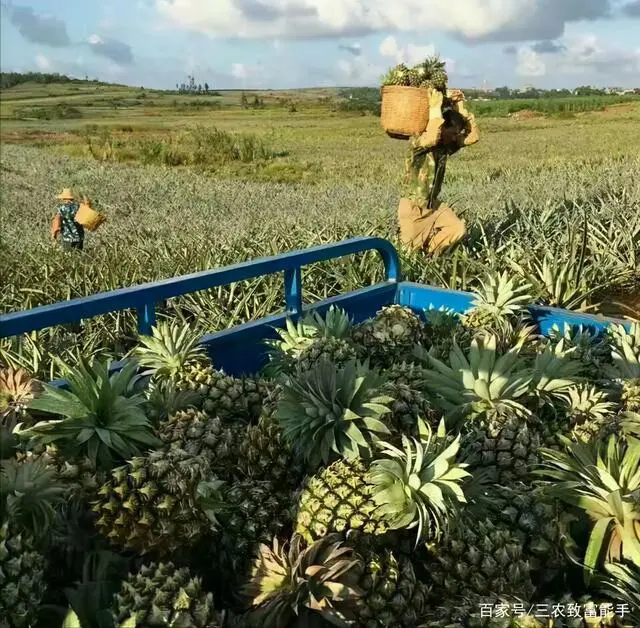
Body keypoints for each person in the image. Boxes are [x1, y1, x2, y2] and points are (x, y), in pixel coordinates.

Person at [398, 87, 479, 253]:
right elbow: (431, 136)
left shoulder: (445, 148)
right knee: (409, 255)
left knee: (457, 229)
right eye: (454, 132)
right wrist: (435, 109)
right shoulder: (418, 145)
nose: (457, 137)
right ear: (443, 128)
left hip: (433, 205)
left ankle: (432, 255)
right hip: (414, 208)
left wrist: (461, 108)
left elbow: (473, 137)